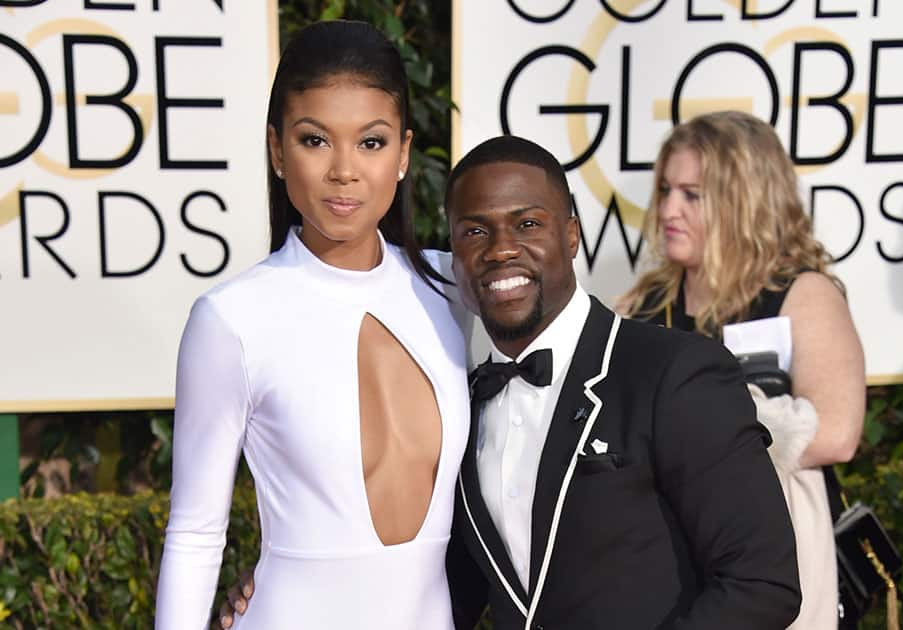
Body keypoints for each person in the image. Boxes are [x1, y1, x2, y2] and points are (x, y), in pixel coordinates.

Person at [220, 136, 802, 629]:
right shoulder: (460, 405)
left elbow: (762, 582)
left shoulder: (674, 373)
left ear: (571, 234)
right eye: (475, 232)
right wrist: (286, 586)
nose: (501, 250)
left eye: (527, 224)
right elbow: (445, 585)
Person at [154, 21, 470, 629]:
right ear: (277, 150)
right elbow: (195, 534)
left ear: (404, 154)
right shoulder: (233, 320)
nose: (344, 171)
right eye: (315, 140)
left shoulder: (453, 288)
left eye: (371, 143)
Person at [617, 110, 866, 630]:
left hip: (775, 562)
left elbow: (836, 434)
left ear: (745, 200)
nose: (668, 209)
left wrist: (691, 429)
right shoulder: (645, 303)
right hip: (662, 564)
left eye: (692, 195)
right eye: (666, 190)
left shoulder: (802, 294)